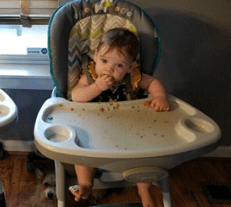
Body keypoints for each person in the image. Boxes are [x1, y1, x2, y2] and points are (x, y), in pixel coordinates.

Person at [70, 28, 170, 207]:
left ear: (130, 66)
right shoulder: (91, 77)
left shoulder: (133, 78)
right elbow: (76, 96)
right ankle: (86, 185)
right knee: (83, 155)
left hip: (129, 131)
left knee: (144, 156)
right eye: (104, 60)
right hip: (95, 130)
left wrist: (160, 97)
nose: (109, 69)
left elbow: (153, 83)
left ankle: (143, 188)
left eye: (119, 66)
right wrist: (97, 88)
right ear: (95, 55)